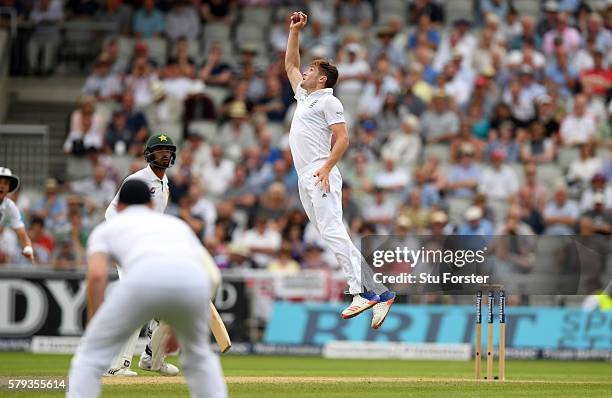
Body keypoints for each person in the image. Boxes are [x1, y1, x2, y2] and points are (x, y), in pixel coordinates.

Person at [284, 11, 395, 329]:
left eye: (311, 70)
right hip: (307, 176)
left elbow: (344, 138)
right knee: (331, 234)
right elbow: (290, 65)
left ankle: (361, 291)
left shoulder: (328, 101)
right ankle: (380, 292)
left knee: (333, 231)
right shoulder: (304, 97)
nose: (304, 72)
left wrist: (326, 168)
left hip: (321, 171)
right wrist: (295, 32)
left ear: (322, 79)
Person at [68, 180, 227, 398]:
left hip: (141, 279)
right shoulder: (176, 226)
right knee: (199, 357)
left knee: (90, 355)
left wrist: (94, 321)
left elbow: (96, 275)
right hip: (189, 284)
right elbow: (211, 275)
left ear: (120, 207)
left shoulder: (107, 229)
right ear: (152, 206)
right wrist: (177, 324)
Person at [104, 134, 177, 376]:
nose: (165, 154)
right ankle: (116, 366)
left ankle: (152, 359)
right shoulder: (136, 180)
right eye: (159, 150)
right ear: (149, 154)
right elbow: (110, 213)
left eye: (168, 150)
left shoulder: (166, 184)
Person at [0, 167, 34, 263]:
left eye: (5, 183)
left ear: (9, 188)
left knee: (9, 236)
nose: (1, 186)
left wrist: (28, 248)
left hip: (4, 240)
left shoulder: (10, 207)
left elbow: (22, 234)